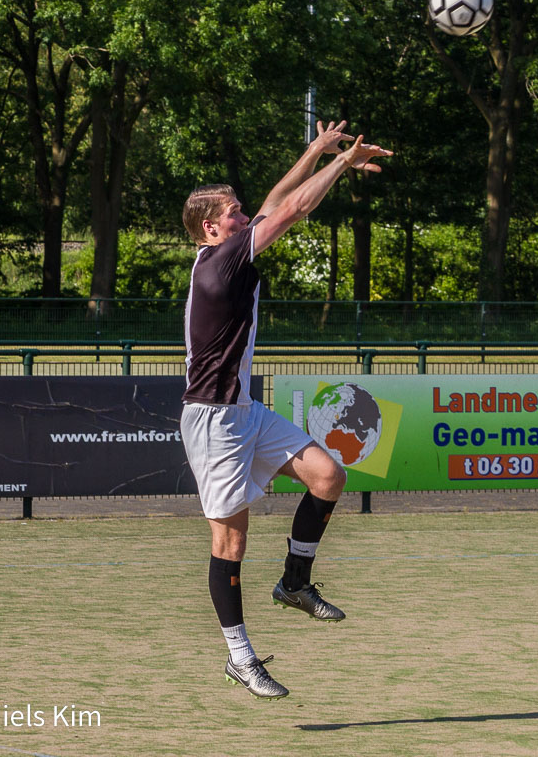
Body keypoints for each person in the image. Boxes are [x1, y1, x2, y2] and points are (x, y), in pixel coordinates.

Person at [180, 120, 391, 699]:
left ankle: (294, 583)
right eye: (234, 212)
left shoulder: (224, 254)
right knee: (230, 546)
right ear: (210, 226)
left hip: (242, 409)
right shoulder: (219, 263)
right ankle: (240, 657)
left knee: (328, 475)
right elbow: (292, 209)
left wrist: (316, 149)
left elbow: (276, 204)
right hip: (212, 419)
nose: (245, 216)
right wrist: (342, 165)